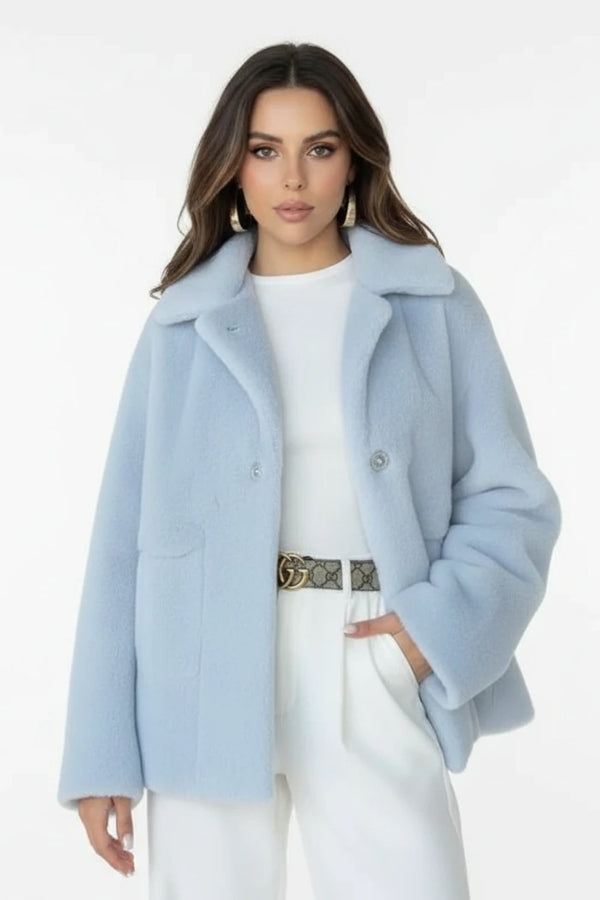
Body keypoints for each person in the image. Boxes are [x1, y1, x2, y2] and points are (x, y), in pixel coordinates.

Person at [57, 42, 562, 899]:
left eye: (319, 148)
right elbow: (120, 543)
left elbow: (512, 499)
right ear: (234, 166)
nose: (293, 178)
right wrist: (100, 751)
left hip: (369, 649)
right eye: (266, 150)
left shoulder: (431, 304)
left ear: (353, 160)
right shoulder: (183, 325)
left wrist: (430, 633)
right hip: (204, 665)